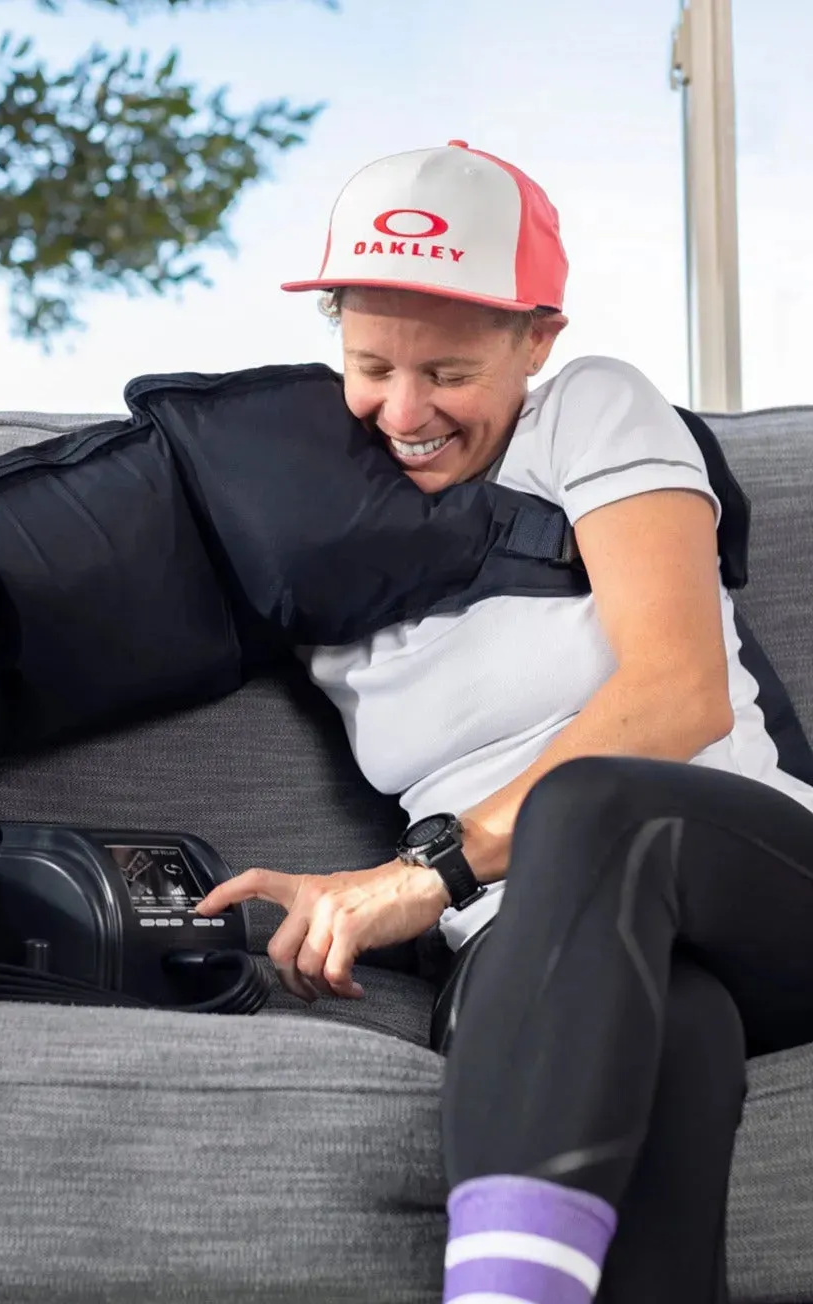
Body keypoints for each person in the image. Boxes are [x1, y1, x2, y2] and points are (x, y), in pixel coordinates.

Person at [192, 140, 813, 1304]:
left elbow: (677, 690)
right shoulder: (308, 527)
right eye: (370, 365)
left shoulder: (590, 411)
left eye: (447, 371)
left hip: (749, 876)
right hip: (520, 942)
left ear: (535, 339)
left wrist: (417, 874)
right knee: (673, 1028)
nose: (403, 410)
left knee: (592, 804)